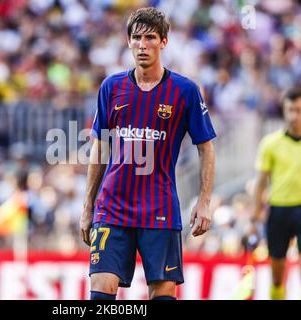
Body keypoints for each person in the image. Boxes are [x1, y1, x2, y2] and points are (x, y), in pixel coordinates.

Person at [80, 7, 216, 300]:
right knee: (100, 293)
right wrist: (88, 206)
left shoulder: (185, 91)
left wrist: (204, 201)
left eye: (151, 38)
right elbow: (99, 147)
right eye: (137, 38)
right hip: (112, 208)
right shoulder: (111, 87)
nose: (143, 45)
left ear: (164, 42)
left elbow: (206, 147)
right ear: (128, 42)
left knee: (163, 293)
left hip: (160, 210)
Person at [250, 89, 301, 300]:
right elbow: (261, 182)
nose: (294, 115)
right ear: (284, 111)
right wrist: (254, 217)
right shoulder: (270, 144)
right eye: (289, 110)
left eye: (298, 110)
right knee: (277, 275)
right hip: (279, 210)